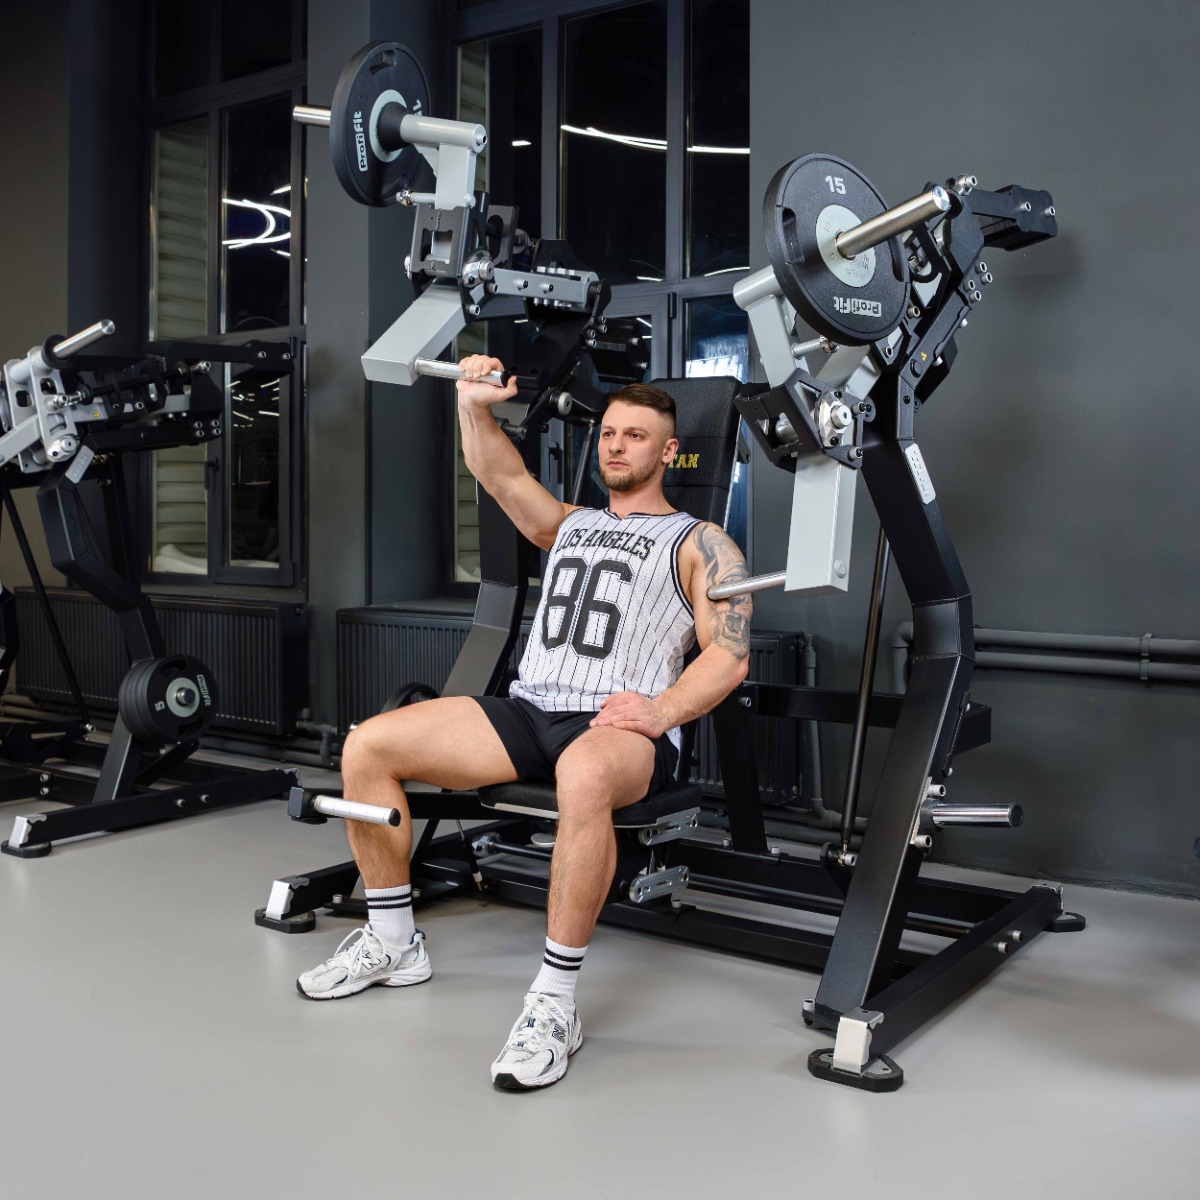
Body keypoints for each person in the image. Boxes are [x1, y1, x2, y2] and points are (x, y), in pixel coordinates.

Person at [297, 355, 752, 1091]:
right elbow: (499, 473)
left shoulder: (703, 542)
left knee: (585, 775)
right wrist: (471, 405)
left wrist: (661, 710)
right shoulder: (568, 524)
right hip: (529, 708)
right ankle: (393, 941)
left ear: (669, 452)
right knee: (369, 745)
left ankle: (554, 1003)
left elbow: (729, 655)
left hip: (616, 726)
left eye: (636, 436)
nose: (616, 446)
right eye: (609, 433)